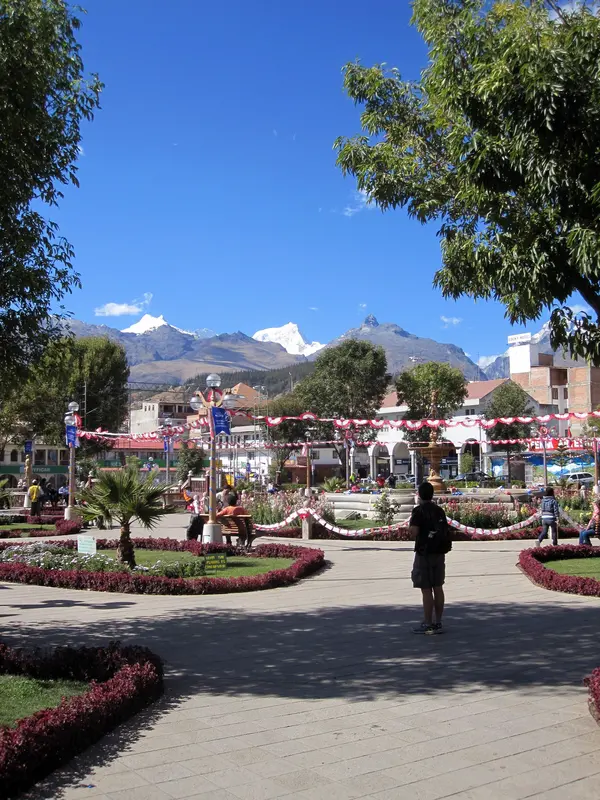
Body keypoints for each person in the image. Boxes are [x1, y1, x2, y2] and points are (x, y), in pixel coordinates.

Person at [409, 481, 452, 635]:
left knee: (426, 589)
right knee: (438, 587)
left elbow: (413, 532)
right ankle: (438, 622)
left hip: (424, 552)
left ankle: (428, 623)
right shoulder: (439, 511)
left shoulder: (418, 511)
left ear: (419, 494)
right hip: (439, 551)